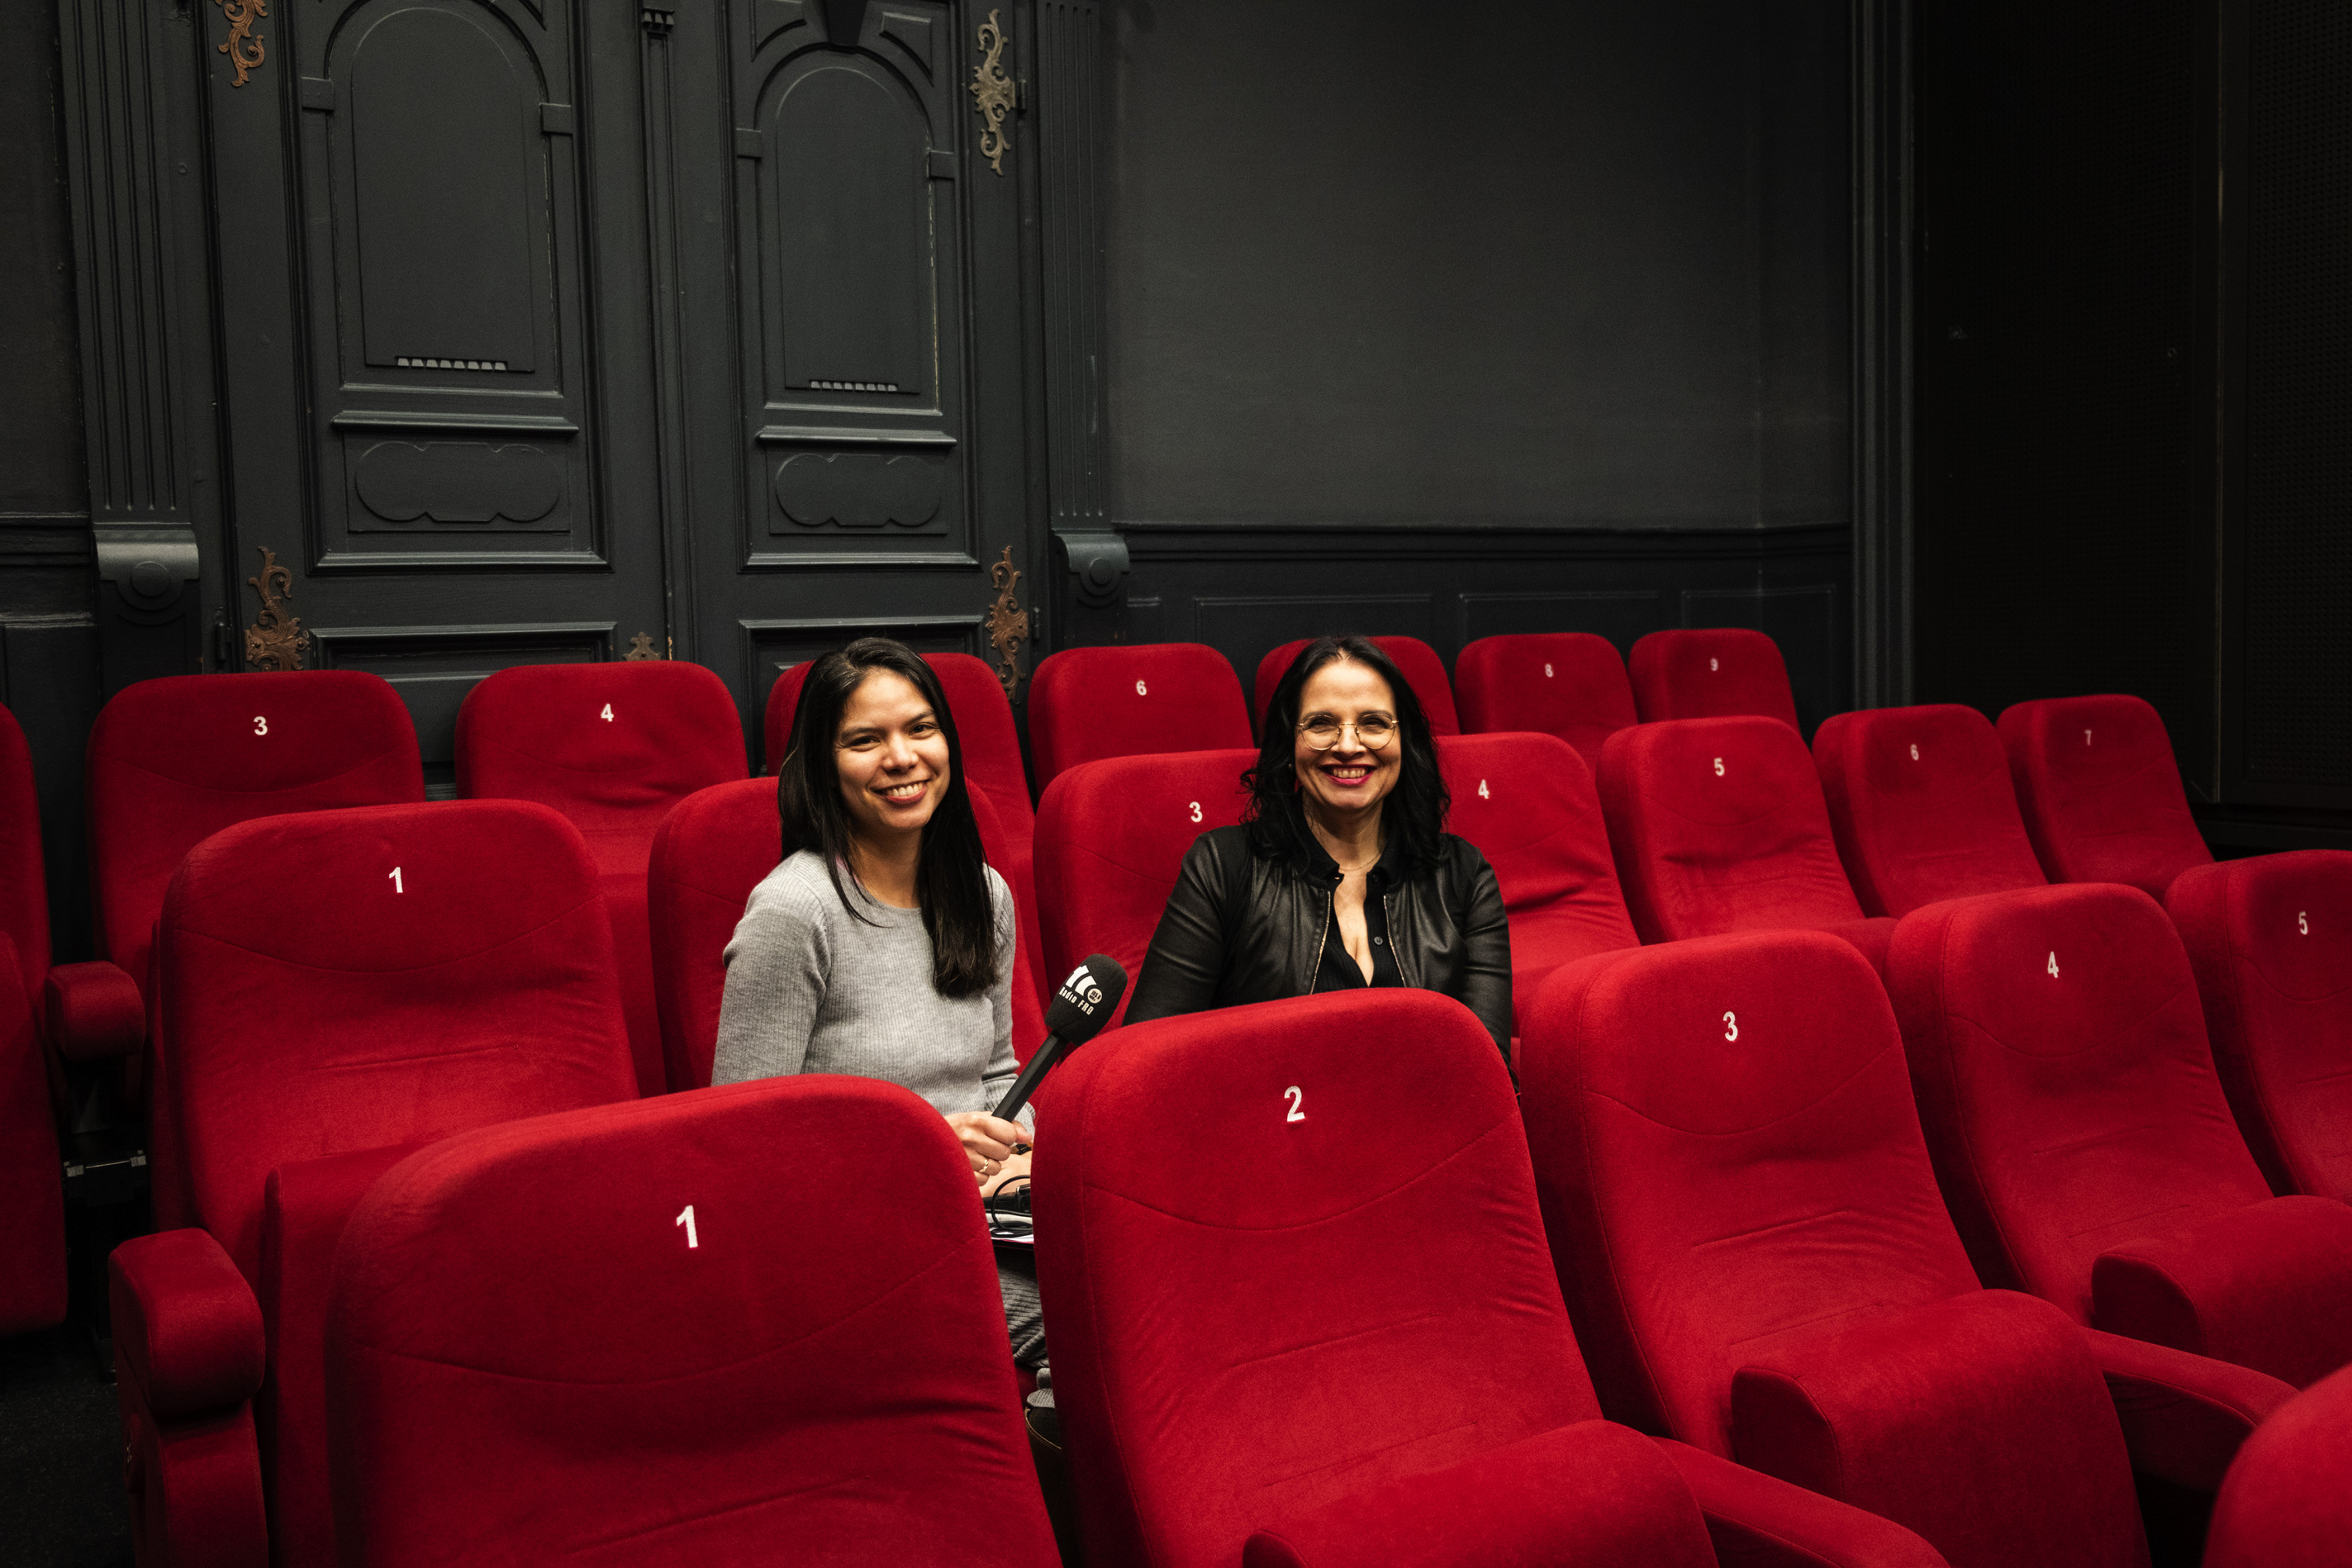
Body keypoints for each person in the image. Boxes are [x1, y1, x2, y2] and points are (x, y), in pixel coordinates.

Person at [712, 637, 1044, 1369]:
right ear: (825, 766)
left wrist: (1022, 1149)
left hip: (983, 1216)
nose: (902, 759)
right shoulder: (795, 912)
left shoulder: (982, 893)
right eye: (866, 740)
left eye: (921, 729)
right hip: (859, 1234)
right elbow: (744, 1144)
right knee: (1092, 1321)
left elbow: (998, 1074)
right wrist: (920, 1148)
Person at [1124, 634, 1512, 1057]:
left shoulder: (1464, 875)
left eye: (1374, 723)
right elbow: (1146, 1055)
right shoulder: (1223, 866)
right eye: (1322, 724)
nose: (1348, 745)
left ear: (1406, 744)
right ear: (1290, 744)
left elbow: (1488, 1070)